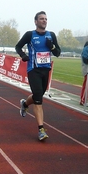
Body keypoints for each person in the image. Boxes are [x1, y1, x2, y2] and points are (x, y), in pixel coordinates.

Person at [15, 11, 61, 141]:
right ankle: (41, 130)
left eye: (46, 19)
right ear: (36, 21)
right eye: (41, 19)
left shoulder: (51, 35)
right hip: (33, 69)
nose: (44, 21)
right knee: (38, 100)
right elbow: (18, 46)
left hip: (46, 70)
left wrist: (51, 46)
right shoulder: (30, 35)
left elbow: (57, 52)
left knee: (38, 95)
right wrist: (23, 56)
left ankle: (25, 104)